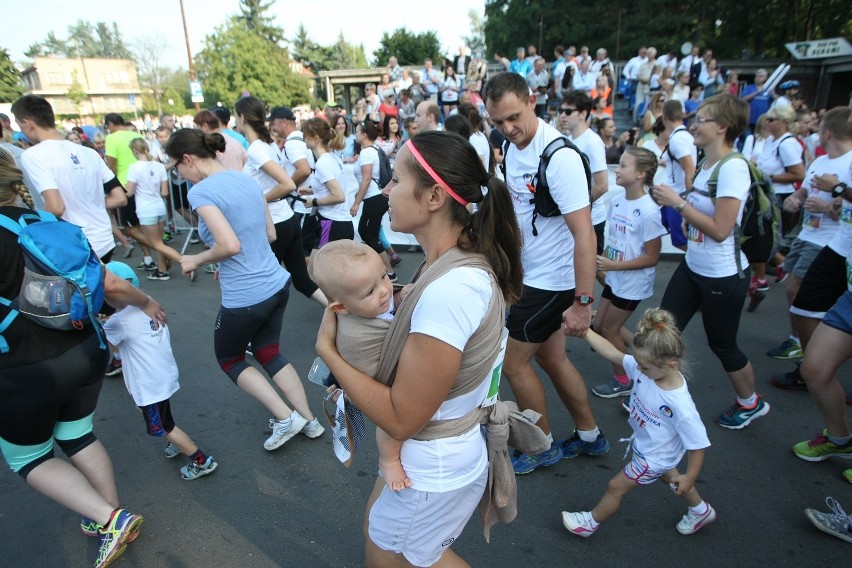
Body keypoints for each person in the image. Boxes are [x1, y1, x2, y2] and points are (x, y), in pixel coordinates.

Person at [315, 130, 529, 566]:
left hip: (433, 462)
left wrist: (330, 352)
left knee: (387, 558)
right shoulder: (448, 263)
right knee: (396, 546)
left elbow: (403, 417)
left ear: (433, 196)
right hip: (435, 457)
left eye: (394, 180)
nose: (385, 190)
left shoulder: (449, 289)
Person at [0, 150, 167, 568]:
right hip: (86, 350)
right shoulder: (49, 223)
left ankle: (109, 518)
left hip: (24, 367)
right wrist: (146, 302)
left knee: (30, 458)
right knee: (77, 435)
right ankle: (107, 514)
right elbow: (108, 281)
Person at [163, 128, 324, 451]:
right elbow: (268, 234)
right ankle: (309, 420)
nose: (179, 175)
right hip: (276, 284)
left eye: (176, 168)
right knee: (268, 352)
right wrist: (224, 261)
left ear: (188, 159)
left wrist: (198, 259)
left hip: (247, 295)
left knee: (229, 358)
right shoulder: (246, 179)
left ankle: (285, 418)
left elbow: (229, 244)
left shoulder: (201, 192)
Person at [485, 71, 610, 474]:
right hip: (532, 275)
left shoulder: (561, 157)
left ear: (533, 100)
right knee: (553, 360)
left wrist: (583, 303)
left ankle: (540, 447)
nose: (508, 129)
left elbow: (585, 235)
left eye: (514, 117)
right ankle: (589, 436)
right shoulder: (511, 145)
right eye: (498, 122)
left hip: (551, 283)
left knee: (513, 363)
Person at [649, 93, 769, 429]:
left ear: (723, 127)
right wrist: (688, 214)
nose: (694, 125)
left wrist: (679, 204)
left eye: (701, 120)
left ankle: (750, 402)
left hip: (722, 275)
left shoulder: (733, 167)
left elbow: (720, 230)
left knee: (723, 345)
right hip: (694, 266)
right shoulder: (706, 163)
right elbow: (705, 214)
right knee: (663, 329)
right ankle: (657, 398)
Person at [563, 309, 715, 537]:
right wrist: (585, 332)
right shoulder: (649, 368)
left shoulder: (680, 405)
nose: (638, 370)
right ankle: (701, 510)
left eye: (644, 367)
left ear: (671, 365)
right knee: (671, 477)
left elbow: (698, 444)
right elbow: (613, 353)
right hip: (656, 450)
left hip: (652, 456)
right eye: (639, 364)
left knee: (616, 486)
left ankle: (589, 523)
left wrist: (690, 476)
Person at [101, 261, 217, 480]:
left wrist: (102, 322)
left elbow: (108, 342)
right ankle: (177, 443)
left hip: (148, 384)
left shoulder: (118, 322)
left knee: (164, 426)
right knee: (154, 411)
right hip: (163, 375)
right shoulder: (151, 306)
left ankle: (201, 460)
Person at [311, 240, 408, 489]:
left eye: (384, 277)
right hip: (373, 383)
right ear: (341, 307)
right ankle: (388, 461)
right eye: (370, 292)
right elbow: (368, 382)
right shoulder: (356, 334)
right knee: (389, 422)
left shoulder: (371, 305)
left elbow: (392, 300)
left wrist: (403, 295)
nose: (384, 291)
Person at [12, 95, 127, 263]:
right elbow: (120, 197)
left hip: (75, 243)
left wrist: (33, 234)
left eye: (19, 126)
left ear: (27, 123)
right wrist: (89, 204)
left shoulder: (34, 155)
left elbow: (56, 207)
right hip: (104, 240)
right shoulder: (89, 153)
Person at [591, 149, 666, 398]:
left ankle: (625, 380)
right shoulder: (617, 201)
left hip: (632, 282)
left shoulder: (649, 210)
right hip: (616, 277)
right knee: (601, 326)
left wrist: (614, 266)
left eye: (623, 166)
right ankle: (650, 355)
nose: (617, 170)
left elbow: (652, 257)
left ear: (641, 174)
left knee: (610, 330)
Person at [237, 99, 326, 306]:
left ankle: (261, 333)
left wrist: (260, 200)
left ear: (242, 117)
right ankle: (340, 312)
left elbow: (286, 183)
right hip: (285, 219)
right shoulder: (268, 145)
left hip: (276, 222)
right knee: (301, 280)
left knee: (264, 284)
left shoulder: (258, 149)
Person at [561, 91, 609, 282]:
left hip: (591, 217)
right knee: (581, 267)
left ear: (583, 114)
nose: (562, 115)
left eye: (568, 111)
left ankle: (618, 297)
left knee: (592, 268)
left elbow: (602, 185)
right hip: (580, 215)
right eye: (561, 111)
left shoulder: (592, 142)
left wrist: (578, 206)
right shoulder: (570, 140)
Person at [125, 138, 180, 281]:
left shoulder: (134, 167)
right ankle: (162, 271)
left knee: (157, 244)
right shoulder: (159, 166)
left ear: (135, 151)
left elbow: (129, 192)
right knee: (159, 241)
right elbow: (164, 192)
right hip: (159, 207)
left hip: (146, 209)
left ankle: (183, 261)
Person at [298, 118, 353, 253]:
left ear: (315, 138)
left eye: (304, 135)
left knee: (321, 270)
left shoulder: (323, 163)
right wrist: (311, 191)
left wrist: (314, 201)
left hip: (331, 223)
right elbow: (333, 187)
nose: (303, 138)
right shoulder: (333, 157)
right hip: (338, 222)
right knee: (319, 268)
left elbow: (339, 196)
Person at [661, 100, 697, 252]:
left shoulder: (678, 139)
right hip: (673, 195)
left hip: (678, 196)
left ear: (664, 117)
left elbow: (689, 169)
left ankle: (700, 263)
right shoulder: (683, 136)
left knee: (679, 240)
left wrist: (689, 201)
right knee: (651, 229)